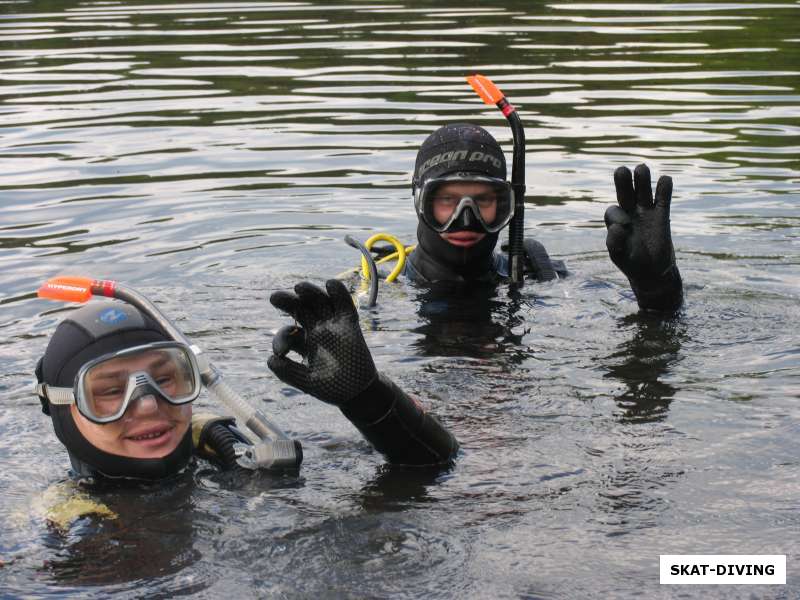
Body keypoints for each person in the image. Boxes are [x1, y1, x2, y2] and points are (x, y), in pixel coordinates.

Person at [34, 280, 457, 483]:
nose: (147, 404)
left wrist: (369, 400)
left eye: (167, 379)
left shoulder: (243, 459)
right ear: (61, 406)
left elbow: (431, 472)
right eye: (109, 392)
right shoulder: (48, 542)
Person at [403, 122, 683, 313]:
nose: (466, 219)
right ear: (419, 202)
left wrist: (658, 291)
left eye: (484, 200)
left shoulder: (543, 278)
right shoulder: (376, 291)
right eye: (446, 200)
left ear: (505, 205)